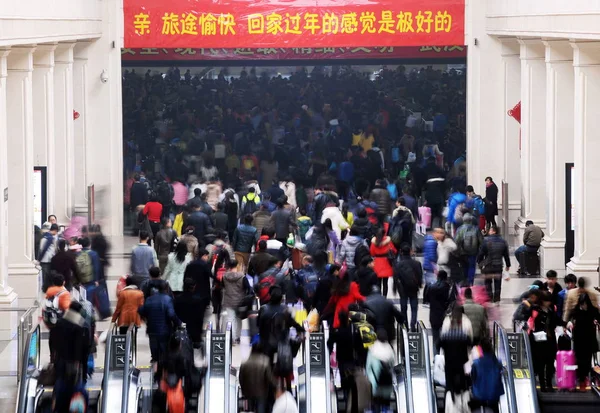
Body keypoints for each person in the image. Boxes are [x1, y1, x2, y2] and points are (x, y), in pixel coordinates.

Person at [50, 301, 93, 413]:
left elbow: (52, 342)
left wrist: (53, 359)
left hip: (60, 363)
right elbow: (85, 350)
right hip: (76, 367)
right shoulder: (82, 326)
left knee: (60, 390)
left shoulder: (59, 323)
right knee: (77, 392)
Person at [138, 281, 182, 371]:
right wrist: (178, 323)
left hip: (152, 330)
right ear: (166, 289)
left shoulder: (150, 299)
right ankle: (163, 373)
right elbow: (171, 314)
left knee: (154, 354)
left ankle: (155, 373)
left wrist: (148, 317)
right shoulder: (167, 299)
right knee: (164, 352)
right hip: (164, 330)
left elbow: (141, 310)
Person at [439, 306, 473, 411]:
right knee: (464, 385)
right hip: (463, 363)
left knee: (449, 385)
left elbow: (439, 345)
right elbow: (470, 343)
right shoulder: (466, 325)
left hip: (449, 363)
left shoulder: (446, 324)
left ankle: (449, 406)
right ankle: (464, 406)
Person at [527, 291, 561, 392]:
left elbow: (556, 320)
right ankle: (542, 384)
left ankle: (549, 384)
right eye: (546, 301)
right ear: (542, 301)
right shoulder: (534, 309)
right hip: (539, 341)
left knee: (550, 363)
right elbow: (526, 320)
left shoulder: (551, 310)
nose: (548, 303)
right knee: (541, 363)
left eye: (549, 301)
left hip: (550, 340)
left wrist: (565, 323)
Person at [568, 290, 600, 390]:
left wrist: (596, 321)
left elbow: (599, 318)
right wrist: (569, 323)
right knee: (578, 359)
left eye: (585, 304)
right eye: (582, 304)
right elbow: (569, 319)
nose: (584, 306)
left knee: (587, 360)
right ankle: (581, 379)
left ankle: (583, 379)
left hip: (589, 339)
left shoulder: (593, 310)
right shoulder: (576, 311)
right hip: (578, 339)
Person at [183, 248, 212, 341]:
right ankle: (198, 336)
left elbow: (185, 277)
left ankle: (190, 334)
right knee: (200, 316)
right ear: (204, 256)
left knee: (190, 314)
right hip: (203, 294)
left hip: (191, 291)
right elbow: (210, 277)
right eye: (207, 256)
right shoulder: (205, 265)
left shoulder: (190, 264)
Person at [477, 226, 510, 303]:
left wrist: (479, 262)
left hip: (488, 265)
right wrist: (508, 265)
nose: (489, 232)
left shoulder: (486, 241)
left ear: (494, 231)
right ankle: (497, 298)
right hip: (498, 265)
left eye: (490, 230)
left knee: (488, 281)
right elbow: (506, 255)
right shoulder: (503, 241)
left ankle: (489, 296)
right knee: (498, 282)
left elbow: (481, 253)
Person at [239, 343, 276, 413]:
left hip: (248, 393)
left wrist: (243, 390)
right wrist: (276, 385)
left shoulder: (244, 362)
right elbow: (269, 378)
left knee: (249, 410)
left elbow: (241, 378)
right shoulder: (265, 361)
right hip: (261, 394)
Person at [393, 244, 422, 332]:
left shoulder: (398, 265)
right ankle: (413, 323)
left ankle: (405, 323)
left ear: (401, 252)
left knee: (403, 306)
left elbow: (396, 277)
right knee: (414, 306)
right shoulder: (416, 263)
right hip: (413, 287)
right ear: (410, 252)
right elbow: (419, 275)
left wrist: (394, 288)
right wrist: (419, 285)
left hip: (402, 288)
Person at [470, 338, 504, 413]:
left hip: (479, 394)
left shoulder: (476, 363)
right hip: (494, 395)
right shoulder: (497, 362)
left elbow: (472, 378)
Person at [366, 329, 396, 413]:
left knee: (376, 404)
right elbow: (392, 364)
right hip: (387, 382)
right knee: (386, 404)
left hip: (375, 382)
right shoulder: (389, 349)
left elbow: (368, 366)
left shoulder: (373, 349)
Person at [221, 259, 251, 345]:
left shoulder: (224, 276)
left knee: (231, 320)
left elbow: (222, 287)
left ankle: (232, 338)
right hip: (240, 302)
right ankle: (237, 337)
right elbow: (248, 288)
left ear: (228, 267)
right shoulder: (242, 277)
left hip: (228, 301)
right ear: (237, 266)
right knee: (238, 320)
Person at [425, 270, 453, 354]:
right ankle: (446, 355)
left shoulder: (431, 287)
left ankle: (436, 356)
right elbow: (450, 300)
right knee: (446, 337)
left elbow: (426, 299)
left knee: (435, 338)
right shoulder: (447, 287)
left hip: (433, 315)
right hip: (445, 315)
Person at [44, 273, 72, 356]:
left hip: (51, 320)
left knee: (52, 337)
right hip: (60, 320)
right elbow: (67, 308)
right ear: (63, 282)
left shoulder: (49, 291)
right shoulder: (64, 293)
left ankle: (52, 355)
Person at [454, 214, 484, 285]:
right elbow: (482, 242)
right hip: (473, 252)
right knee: (472, 267)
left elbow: (456, 241)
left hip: (462, 253)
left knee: (464, 267)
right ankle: (470, 282)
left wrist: (457, 252)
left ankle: (465, 281)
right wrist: (480, 252)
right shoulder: (476, 229)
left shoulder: (460, 229)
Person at [174, 278, 204, 348]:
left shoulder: (178, 299)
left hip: (181, 328)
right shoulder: (197, 300)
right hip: (194, 330)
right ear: (194, 287)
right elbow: (200, 317)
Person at [369, 228, 396, 297]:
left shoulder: (374, 242)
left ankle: (378, 296)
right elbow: (394, 251)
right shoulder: (388, 242)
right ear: (384, 233)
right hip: (386, 262)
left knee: (378, 283)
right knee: (385, 283)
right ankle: (384, 296)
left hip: (377, 263)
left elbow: (371, 253)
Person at [39, 223, 59, 292]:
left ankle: (45, 290)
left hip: (44, 260)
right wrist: (40, 259)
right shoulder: (50, 237)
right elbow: (45, 249)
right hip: (47, 259)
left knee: (45, 276)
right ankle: (46, 290)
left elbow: (41, 249)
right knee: (47, 277)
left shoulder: (44, 236)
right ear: (55, 230)